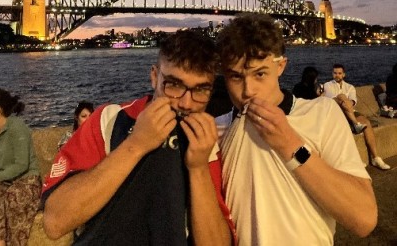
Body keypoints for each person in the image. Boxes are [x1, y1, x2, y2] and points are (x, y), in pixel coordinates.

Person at [42, 30, 234, 245]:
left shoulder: (204, 142)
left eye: (201, 90)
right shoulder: (110, 120)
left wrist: (198, 167)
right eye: (174, 85)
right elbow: (54, 222)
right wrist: (135, 145)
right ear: (154, 76)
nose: (186, 103)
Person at [216, 13, 377, 245]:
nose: (248, 90)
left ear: (281, 66)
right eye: (235, 76)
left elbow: (364, 219)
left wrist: (289, 143)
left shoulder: (322, 113)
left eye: (260, 73)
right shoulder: (215, 130)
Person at [323, 64, 390, 170]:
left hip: (350, 111)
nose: (337, 75)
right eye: (335, 73)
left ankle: (375, 158)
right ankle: (355, 124)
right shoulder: (327, 85)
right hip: (336, 113)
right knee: (341, 96)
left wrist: (345, 102)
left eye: (339, 73)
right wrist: (343, 99)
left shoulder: (350, 87)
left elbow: (353, 102)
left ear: (343, 75)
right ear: (332, 74)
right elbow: (332, 99)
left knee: (366, 123)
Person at [0, 89, 41, 246]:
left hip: (27, 180)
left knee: (12, 198)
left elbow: (22, 164)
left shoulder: (16, 126)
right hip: (6, 181)